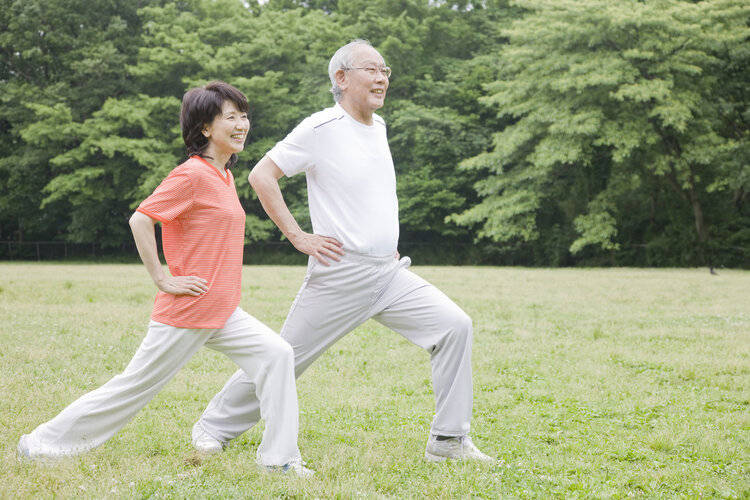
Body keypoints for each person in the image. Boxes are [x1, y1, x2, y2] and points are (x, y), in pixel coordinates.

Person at [190, 40, 495, 463]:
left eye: (385, 70)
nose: (382, 77)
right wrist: (299, 236)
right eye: (372, 69)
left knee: (454, 326)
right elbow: (263, 175)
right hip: (340, 273)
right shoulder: (321, 128)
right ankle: (213, 427)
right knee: (286, 358)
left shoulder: (380, 126)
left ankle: (448, 441)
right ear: (341, 78)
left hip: (389, 274)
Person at [17, 81, 312, 476]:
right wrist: (161, 277)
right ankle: (40, 445)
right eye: (231, 117)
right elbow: (141, 219)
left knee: (277, 354)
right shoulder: (191, 174)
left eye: (244, 116)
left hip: (221, 308)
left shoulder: (223, 176)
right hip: (189, 309)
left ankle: (279, 459)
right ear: (206, 128)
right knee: (134, 387)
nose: (242, 124)